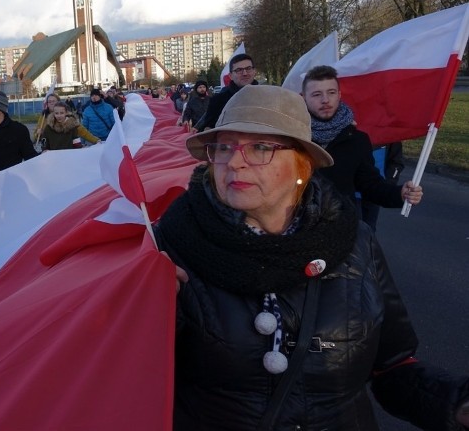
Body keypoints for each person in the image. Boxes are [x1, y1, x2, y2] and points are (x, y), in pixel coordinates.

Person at [154, 85, 469, 429]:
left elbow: (392, 366)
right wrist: (154, 312)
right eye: (224, 146)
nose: (234, 162)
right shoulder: (171, 244)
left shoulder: (354, 241)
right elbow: (133, 377)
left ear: (302, 164)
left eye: (260, 147)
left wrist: (455, 405)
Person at [301, 65, 422, 215]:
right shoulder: (294, 138)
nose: (325, 100)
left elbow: (370, 185)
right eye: (316, 94)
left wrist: (400, 194)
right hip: (296, 225)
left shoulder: (357, 140)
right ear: (303, 97)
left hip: (340, 225)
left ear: (339, 95)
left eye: (331, 92)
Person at [195, 53, 258, 131]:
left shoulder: (267, 96)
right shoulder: (218, 100)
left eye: (248, 68)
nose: (245, 73)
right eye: (239, 70)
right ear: (230, 75)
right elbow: (209, 129)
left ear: (254, 71)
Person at [361, 141, 405, 231]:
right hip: (347, 193)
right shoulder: (349, 132)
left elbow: (396, 162)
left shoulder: (389, 133)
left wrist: (389, 187)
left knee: (367, 232)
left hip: (374, 193)